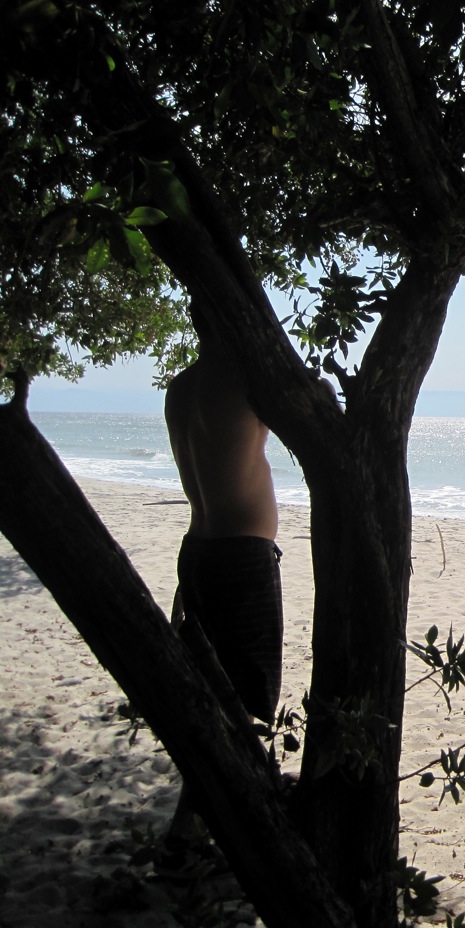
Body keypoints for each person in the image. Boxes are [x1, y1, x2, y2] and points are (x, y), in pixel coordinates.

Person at [164, 299, 282, 846]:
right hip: (242, 557)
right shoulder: (249, 381)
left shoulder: (180, 389)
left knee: (208, 694)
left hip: (198, 549)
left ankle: (187, 820)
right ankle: (237, 826)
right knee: (251, 701)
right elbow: (320, 408)